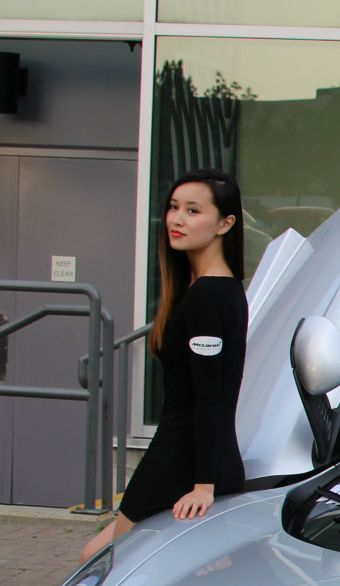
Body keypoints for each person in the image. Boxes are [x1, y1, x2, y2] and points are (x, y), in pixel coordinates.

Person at [80, 169, 247, 562]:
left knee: (102, 561)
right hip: (191, 459)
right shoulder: (214, 288)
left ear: (226, 223)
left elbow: (208, 397)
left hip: (181, 463)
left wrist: (204, 485)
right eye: (173, 208)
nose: (177, 219)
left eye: (192, 210)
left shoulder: (207, 295)